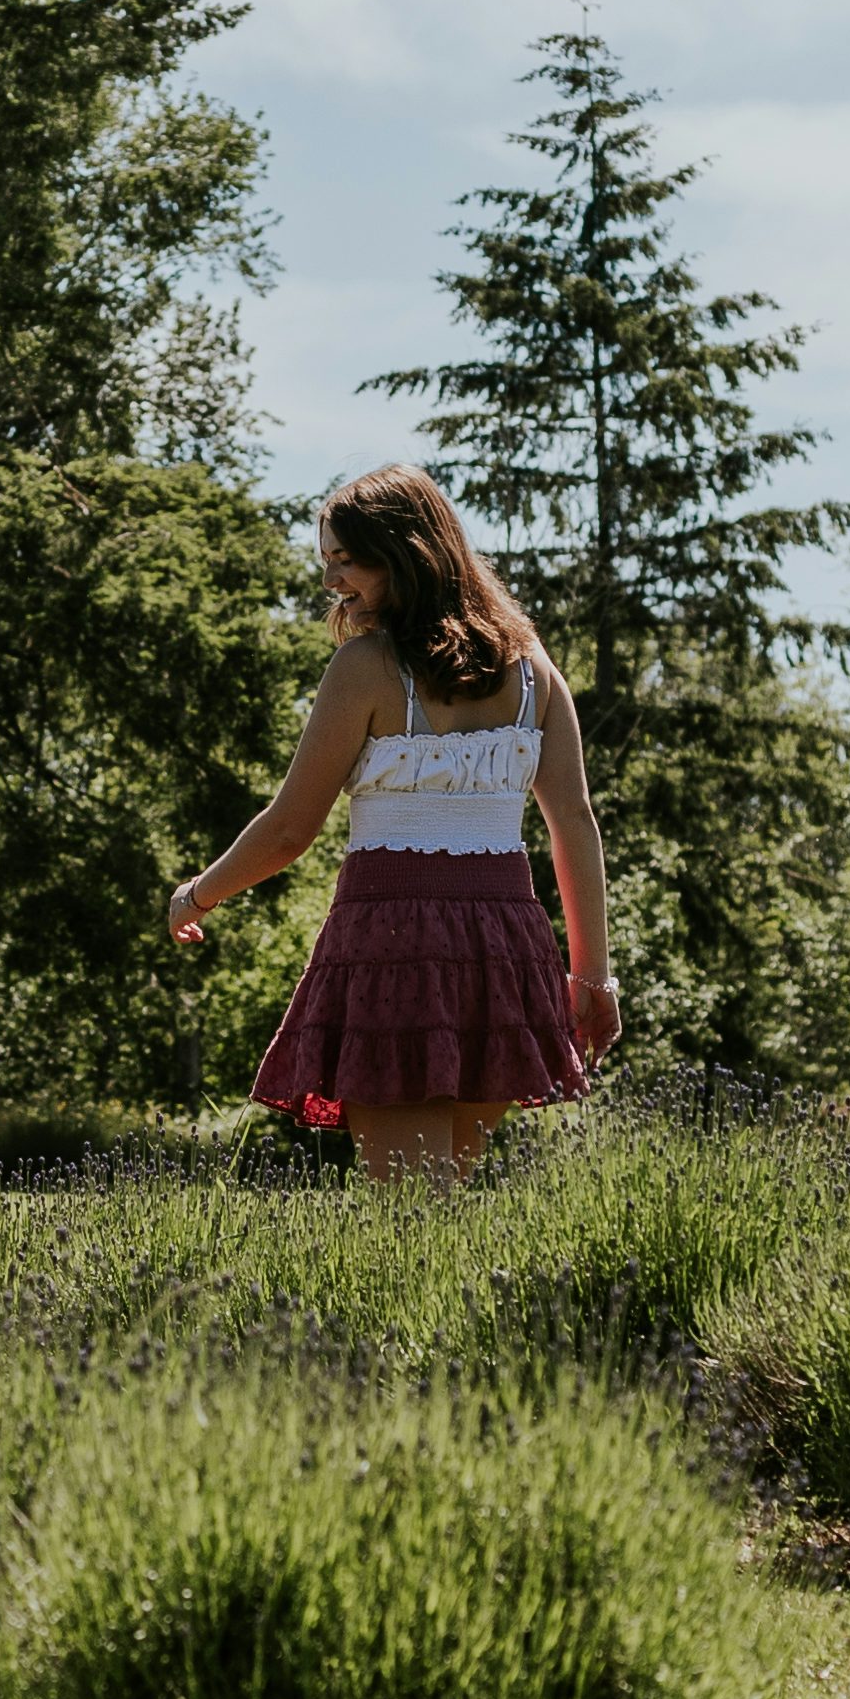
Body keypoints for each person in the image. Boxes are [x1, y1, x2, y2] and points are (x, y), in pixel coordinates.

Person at [166, 463, 618, 1179]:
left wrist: (196, 894)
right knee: (443, 1198)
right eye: (327, 562)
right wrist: (593, 975)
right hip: (503, 948)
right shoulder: (535, 670)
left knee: (409, 1208)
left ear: (404, 551)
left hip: (395, 941)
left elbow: (289, 829)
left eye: (345, 561)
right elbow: (574, 823)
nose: (331, 581)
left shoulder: (366, 667)